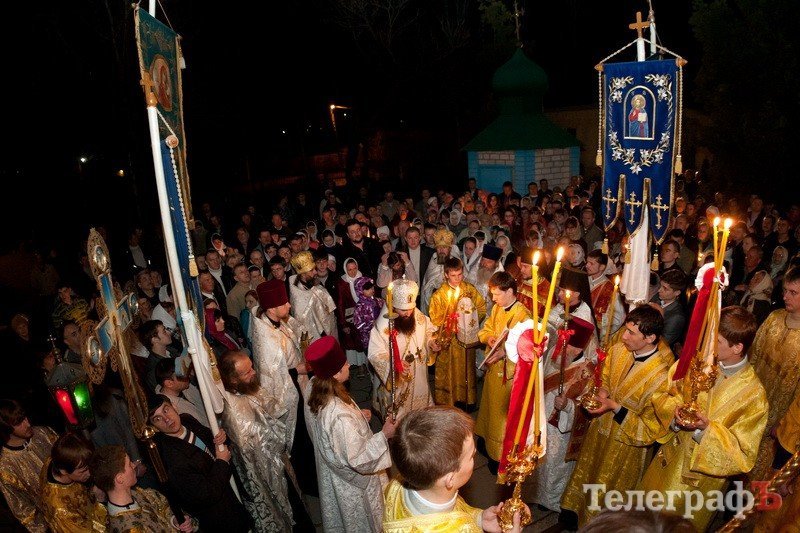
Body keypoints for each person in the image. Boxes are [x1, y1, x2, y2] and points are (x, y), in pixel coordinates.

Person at [638, 306, 767, 530]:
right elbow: (663, 394)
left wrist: (705, 429)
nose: (708, 345)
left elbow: (744, 455)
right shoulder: (699, 362)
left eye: (716, 340)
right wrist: (674, 413)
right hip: (663, 464)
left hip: (696, 486)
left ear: (737, 347)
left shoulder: (754, 396)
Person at [560, 305, 673, 527]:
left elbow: (653, 426)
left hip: (625, 447)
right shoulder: (619, 350)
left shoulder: (661, 376)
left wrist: (615, 407)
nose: (624, 335)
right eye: (626, 329)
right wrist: (601, 392)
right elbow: (603, 376)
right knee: (586, 479)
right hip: (599, 432)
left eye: (632, 332)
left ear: (650, 337)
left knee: (609, 496)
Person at [302, 336, 397, 532]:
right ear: (336, 374)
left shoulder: (316, 388)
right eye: (344, 363)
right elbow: (359, 459)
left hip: (338, 479)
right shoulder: (340, 417)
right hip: (356, 489)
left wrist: (358, 417)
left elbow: (335, 434)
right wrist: (384, 434)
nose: (348, 364)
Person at [383, 406, 525, 532]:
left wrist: (479, 519)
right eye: (471, 456)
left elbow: (452, 516)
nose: (475, 458)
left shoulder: (396, 486)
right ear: (450, 479)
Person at [530, 269, 598, 512]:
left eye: (568, 349)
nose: (564, 351)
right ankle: (536, 493)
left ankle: (553, 500)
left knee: (557, 462)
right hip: (545, 412)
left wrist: (567, 405)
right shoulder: (558, 353)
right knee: (541, 453)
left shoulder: (584, 371)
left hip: (562, 423)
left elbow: (585, 405)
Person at [218, 349, 308, 532]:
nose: (254, 373)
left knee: (298, 507)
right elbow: (252, 446)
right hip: (267, 473)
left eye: (251, 367)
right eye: (247, 372)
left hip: (280, 462)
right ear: (233, 379)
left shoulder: (249, 386)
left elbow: (272, 406)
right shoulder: (234, 412)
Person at [251, 278, 318, 497]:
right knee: (300, 442)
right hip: (287, 396)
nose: (289, 306)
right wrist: (297, 370)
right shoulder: (267, 339)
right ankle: (309, 484)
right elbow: (272, 375)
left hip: (298, 385)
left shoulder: (279, 322)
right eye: (285, 303)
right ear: (271, 308)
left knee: (308, 434)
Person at [148, 394, 251, 532]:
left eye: (166, 410)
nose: (166, 419)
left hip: (232, 499)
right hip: (219, 520)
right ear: (154, 427)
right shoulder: (172, 459)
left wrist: (222, 439)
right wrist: (221, 462)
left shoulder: (187, 420)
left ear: (174, 406)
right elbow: (205, 494)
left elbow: (215, 444)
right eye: (158, 419)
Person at [474, 271, 529, 475]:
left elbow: (524, 347)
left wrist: (503, 353)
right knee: (489, 406)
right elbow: (487, 326)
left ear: (510, 291)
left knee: (501, 416)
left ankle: (498, 456)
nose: (493, 298)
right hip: (493, 369)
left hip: (508, 374)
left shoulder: (522, 315)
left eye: (497, 294)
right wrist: (488, 338)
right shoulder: (498, 307)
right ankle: (487, 441)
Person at [749, 265, 800, 482]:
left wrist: (785, 423)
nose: (785, 296)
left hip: (778, 419)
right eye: (785, 291)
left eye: (793, 292)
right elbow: (754, 355)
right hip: (752, 403)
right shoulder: (774, 318)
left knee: (760, 475)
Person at [368, 278, 439, 420]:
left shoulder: (417, 316)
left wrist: (431, 342)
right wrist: (395, 365)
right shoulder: (383, 326)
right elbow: (375, 354)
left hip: (419, 377)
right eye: (403, 310)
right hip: (399, 381)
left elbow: (428, 330)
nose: (408, 314)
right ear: (393, 307)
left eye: (410, 309)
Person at [90, 445, 195, 532]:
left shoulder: (137, 493)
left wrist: (174, 520)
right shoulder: (129, 528)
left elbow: (162, 508)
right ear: (120, 479)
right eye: (129, 464)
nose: (134, 465)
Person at [429, 257, 486, 409]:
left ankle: (467, 400)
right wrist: (451, 321)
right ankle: (448, 402)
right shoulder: (439, 295)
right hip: (449, 342)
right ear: (446, 274)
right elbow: (434, 319)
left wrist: (469, 322)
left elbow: (481, 307)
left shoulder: (469, 289)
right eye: (453, 275)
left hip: (466, 342)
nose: (457, 279)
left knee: (467, 369)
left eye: (460, 274)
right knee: (449, 372)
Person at [0, 400, 58, 532]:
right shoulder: (6, 468)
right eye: (19, 422)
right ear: (5, 427)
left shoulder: (44, 433)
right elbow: (24, 510)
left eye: (25, 417)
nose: (28, 424)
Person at [39, 432, 107, 532]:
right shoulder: (61, 510)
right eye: (83, 470)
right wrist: (100, 502)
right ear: (64, 471)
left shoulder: (56, 460)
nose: (90, 473)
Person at [288, 251, 338, 342]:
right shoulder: (297, 294)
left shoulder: (316, 286)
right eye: (311, 270)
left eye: (314, 268)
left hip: (328, 333)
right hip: (313, 338)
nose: (315, 272)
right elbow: (302, 321)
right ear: (303, 273)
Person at [650, 268, 688, 354]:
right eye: (660, 286)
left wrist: (660, 315)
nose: (659, 290)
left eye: (665, 288)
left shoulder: (677, 317)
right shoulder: (656, 297)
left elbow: (662, 343)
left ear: (677, 293)